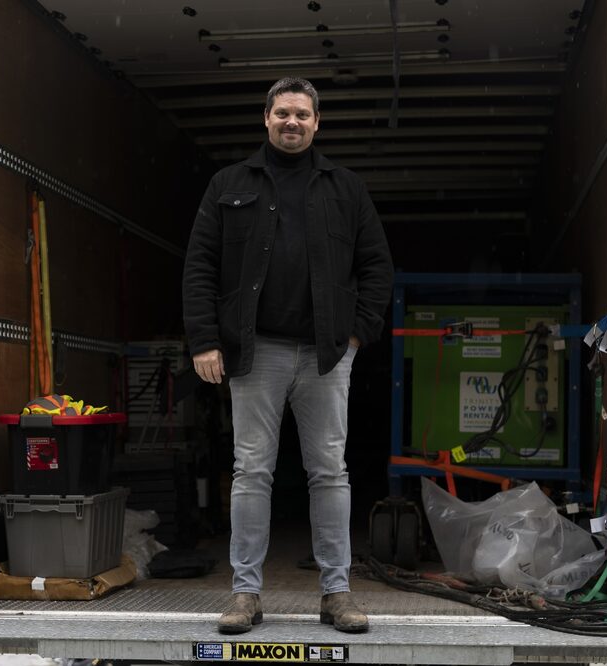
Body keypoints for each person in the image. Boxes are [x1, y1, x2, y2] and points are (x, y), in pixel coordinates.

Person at [182, 77, 393, 634]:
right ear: (266, 118)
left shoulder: (345, 188)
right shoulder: (230, 184)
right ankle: (245, 596)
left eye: (302, 114)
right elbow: (200, 265)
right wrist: (205, 340)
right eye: (283, 113)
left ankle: (337, 594)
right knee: (252, 471)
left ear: (317, 122)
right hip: (257, 355)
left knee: (329, 473)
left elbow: (377, 268)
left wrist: (355, 337)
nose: (292, 122)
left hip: (325, 356)